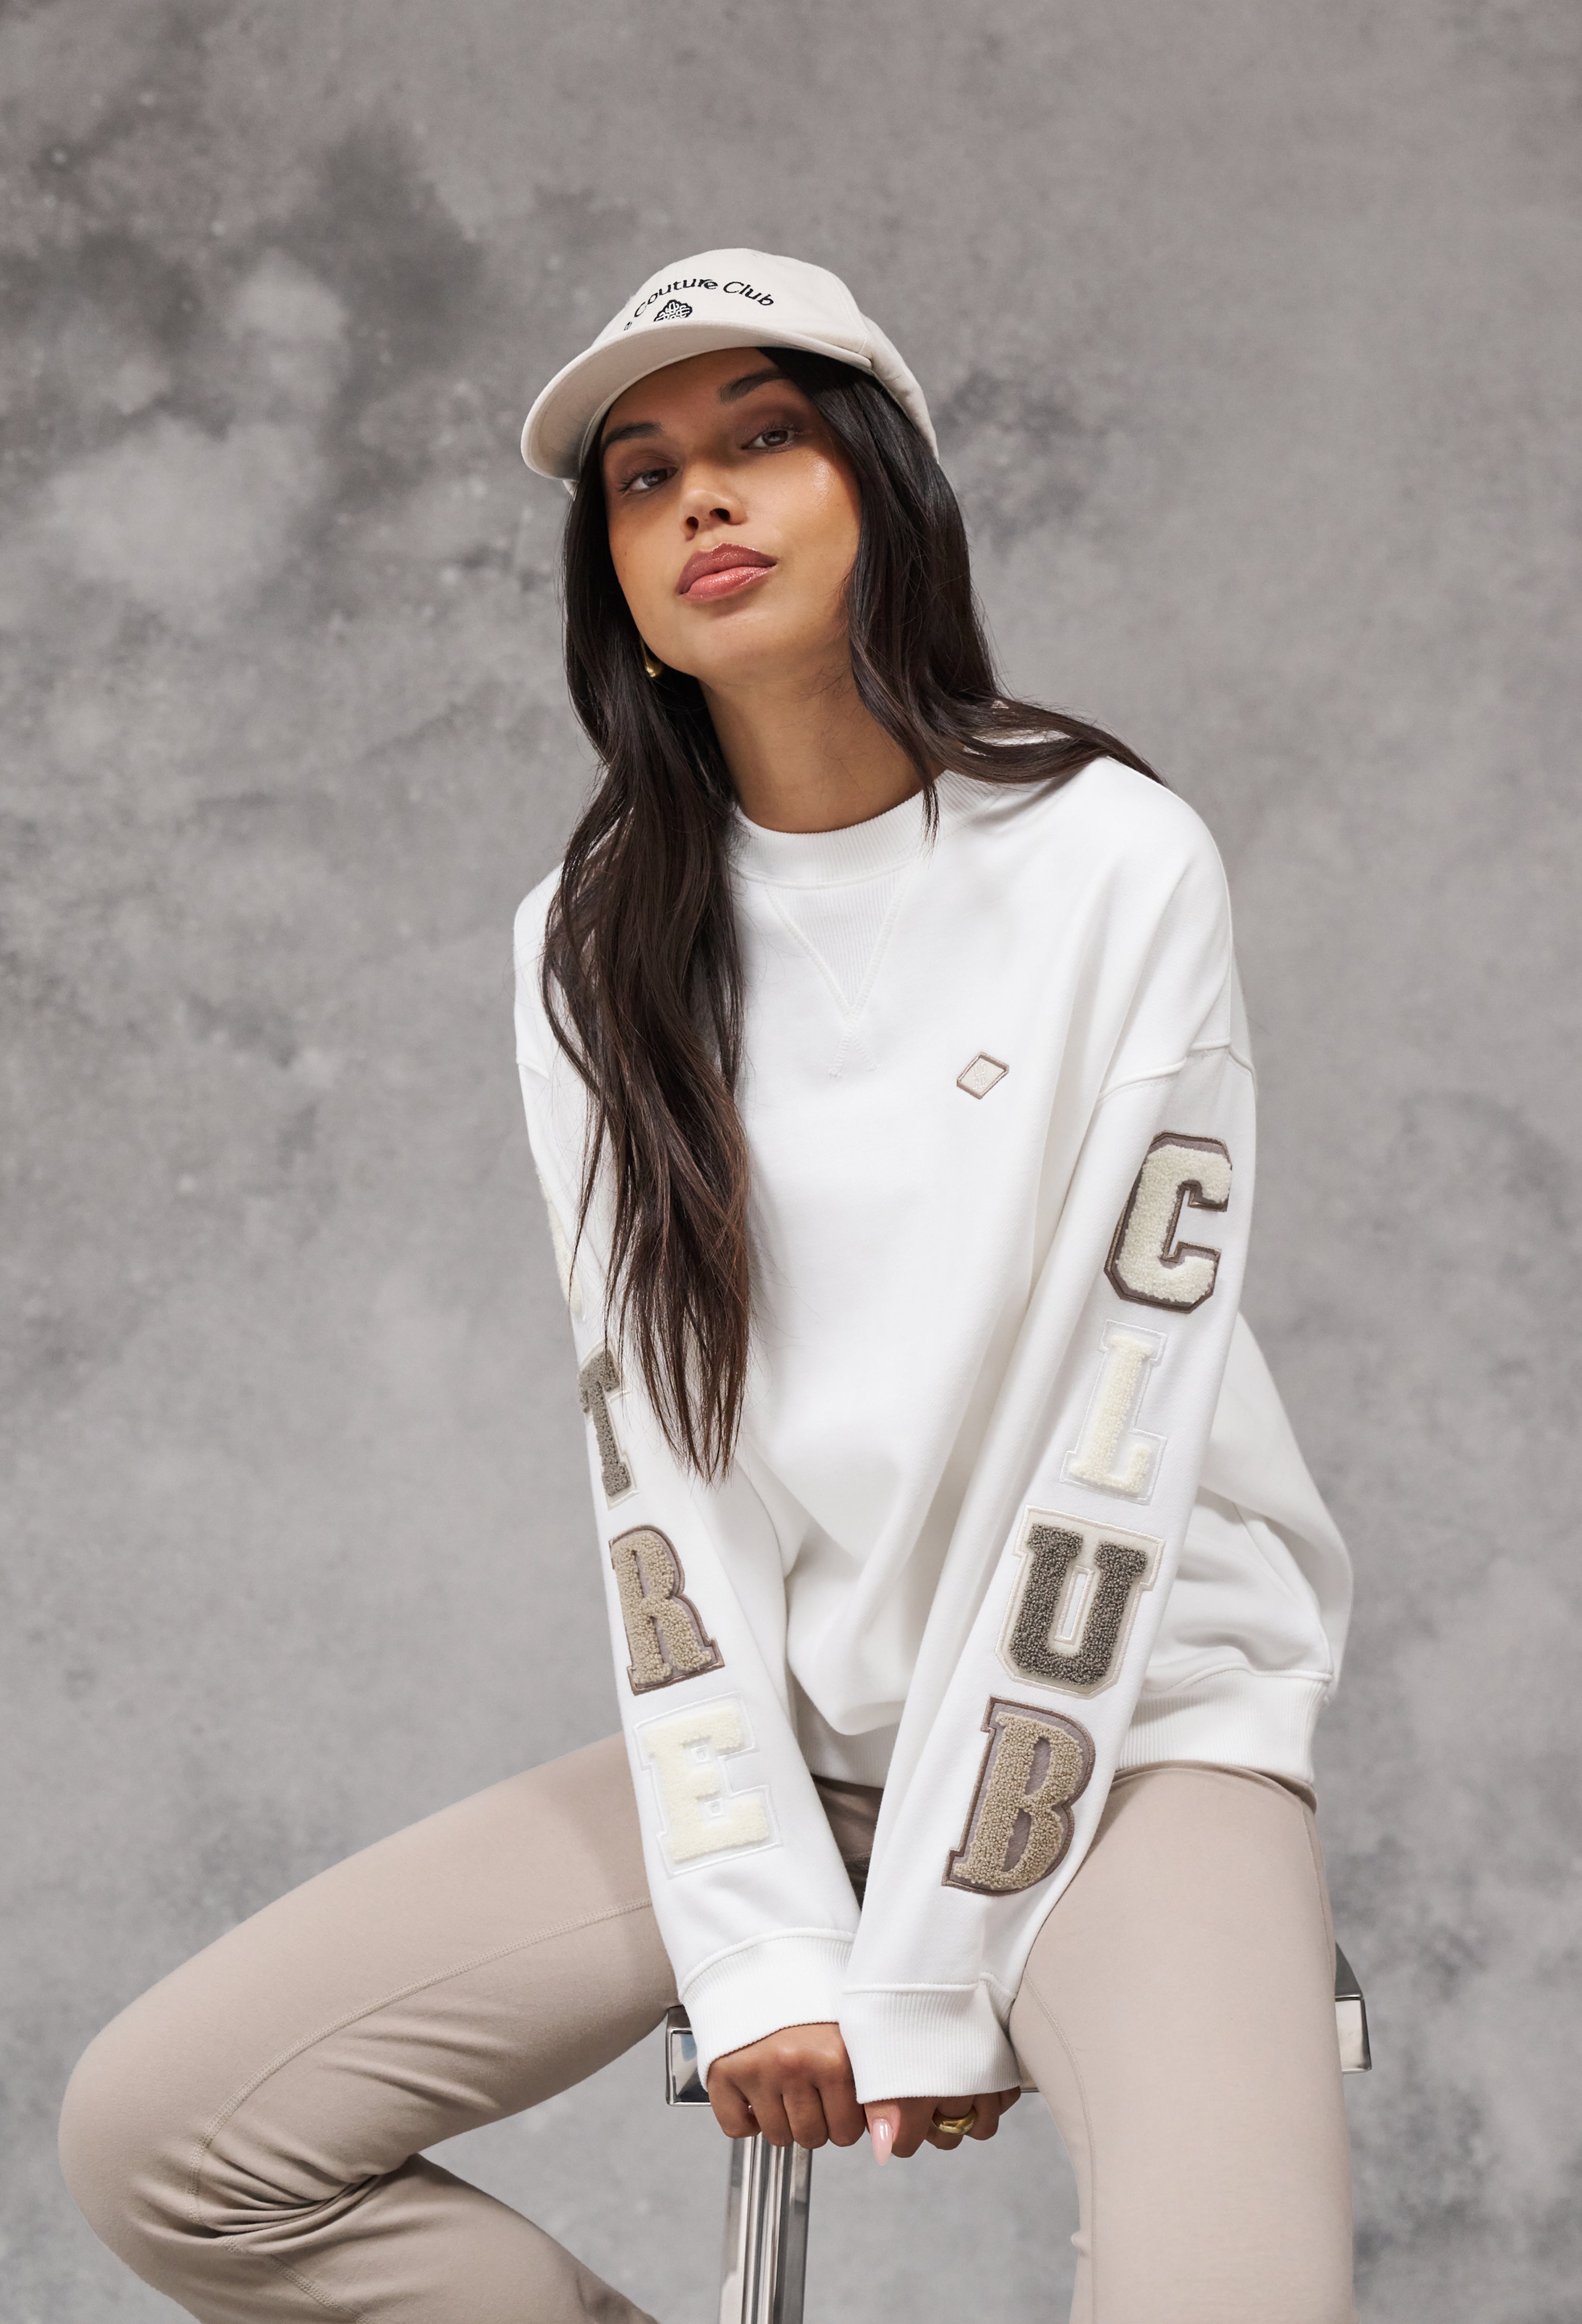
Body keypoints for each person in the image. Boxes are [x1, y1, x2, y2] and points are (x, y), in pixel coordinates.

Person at [60, 250, 1357, 2324]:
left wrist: (933, 1950)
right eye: (645, 476)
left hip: (1125, 1725)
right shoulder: (592, 945)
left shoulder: (1111, 860)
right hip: (802, 1739)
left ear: (880, 489)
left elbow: (1109, 1445)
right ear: (619, 578)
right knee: (172, 2141)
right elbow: (652, 1471)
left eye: (765, 436)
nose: (705, 500)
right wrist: (761, 1935)